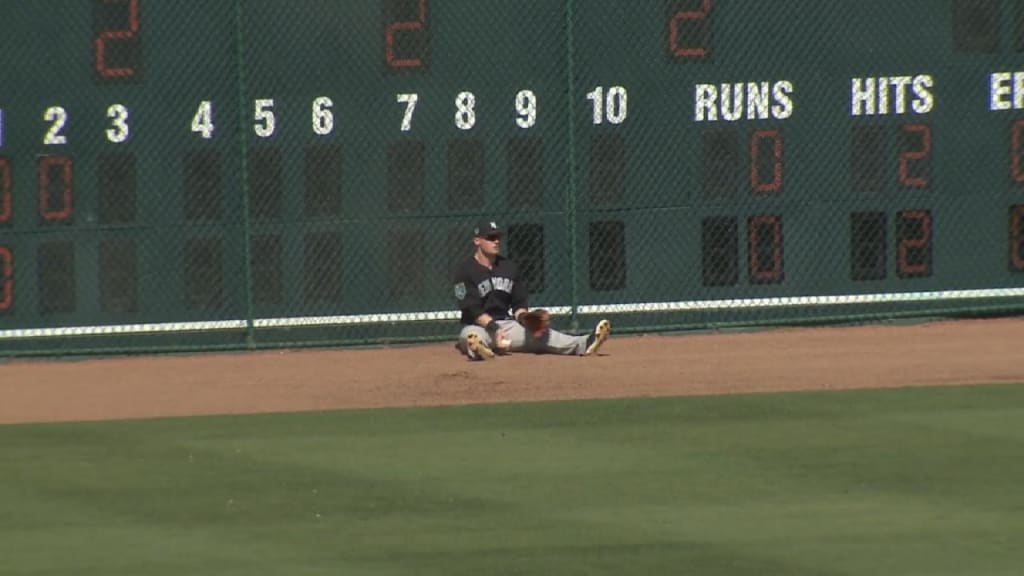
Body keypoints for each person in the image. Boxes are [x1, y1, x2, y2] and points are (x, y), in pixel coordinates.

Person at [452, 219, 611, 360]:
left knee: (541, 334)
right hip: (480, 326)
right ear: (477, 241)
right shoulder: (464, 270)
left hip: (507, 326)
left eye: (498, 237)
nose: (496, 241)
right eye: (491, 238)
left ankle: (584, 344)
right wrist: (494, 328)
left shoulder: (508, 267)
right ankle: (480, 350)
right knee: (470, 337)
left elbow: (518, 302)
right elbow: (471, 309)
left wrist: (526, 318)